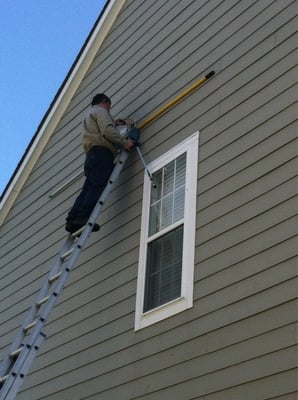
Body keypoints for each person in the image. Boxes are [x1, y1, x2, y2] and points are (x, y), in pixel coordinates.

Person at [65, 93, 135, 233]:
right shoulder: (101, 111)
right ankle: (84, 217)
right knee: (97, 186)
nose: (109, 111)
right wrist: (124, 143)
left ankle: (72, 219)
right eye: (109, 107)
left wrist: (114, 122)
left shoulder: (89, 114)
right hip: (102, 153)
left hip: (91, 155)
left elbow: (99, 129)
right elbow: (107, 131)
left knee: (88, 188)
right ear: (104, 102)